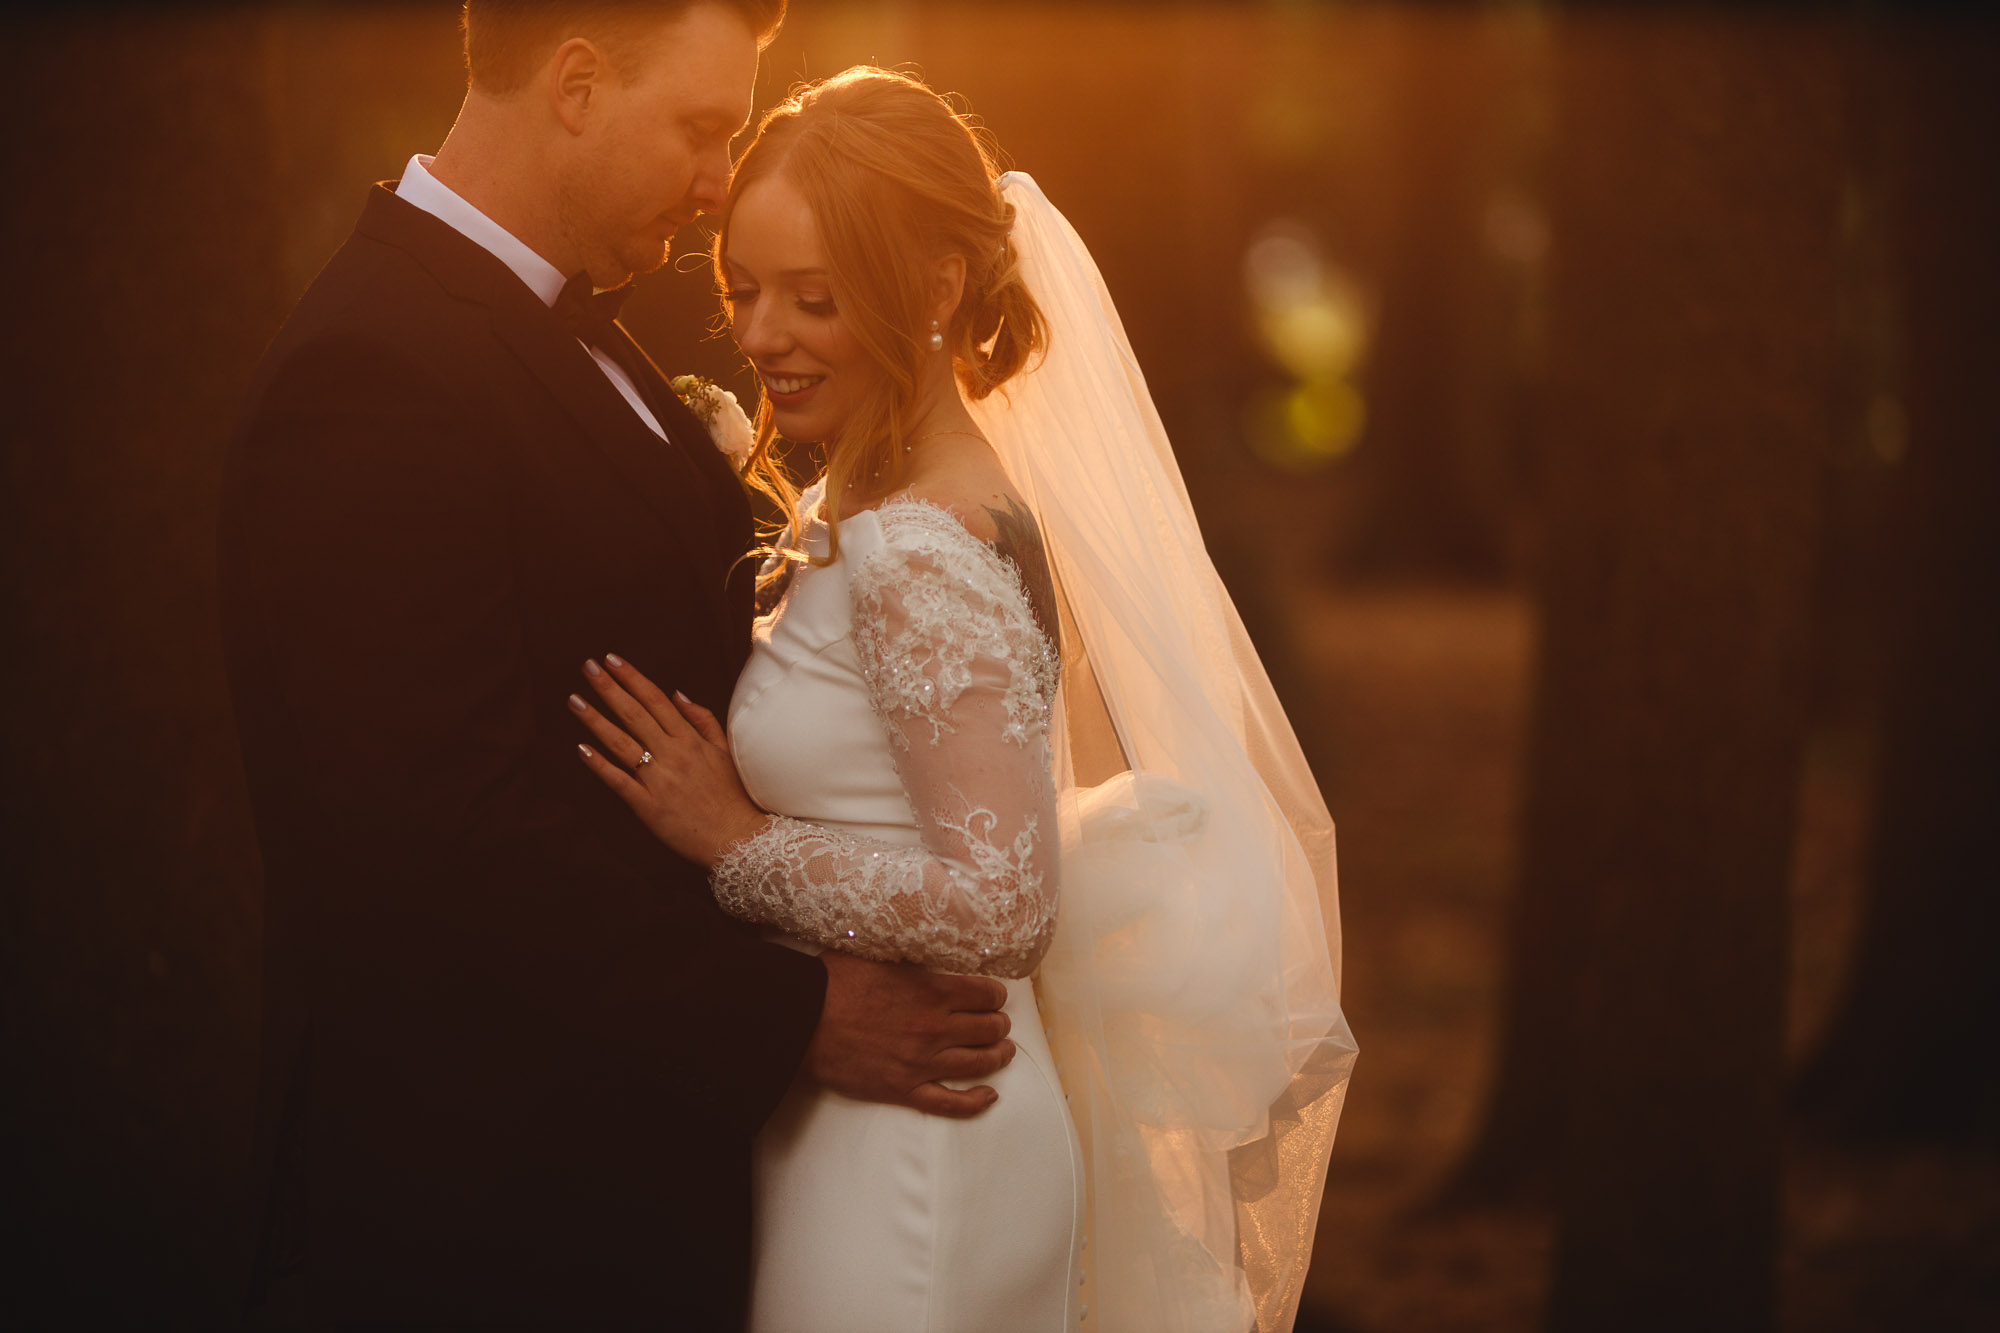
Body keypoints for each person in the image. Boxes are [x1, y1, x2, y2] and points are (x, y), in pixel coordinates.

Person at [219, 6, 1017, 1326]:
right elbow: (431, 832)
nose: (723, 184)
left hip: (625, 1189)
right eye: (703, 130)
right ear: (577, 86)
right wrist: (788, 1015)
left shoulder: (573, 336)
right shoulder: (371, 375)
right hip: (475, 1225)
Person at [572, 67, 1357, 1332]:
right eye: (744, 292)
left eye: (812, 297)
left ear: (935, 288)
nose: (763, 335)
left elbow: (1003, 902)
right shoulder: (891, 507)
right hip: (874, 1118)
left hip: (913, 1152)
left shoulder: (918, 548)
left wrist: (733, 839)